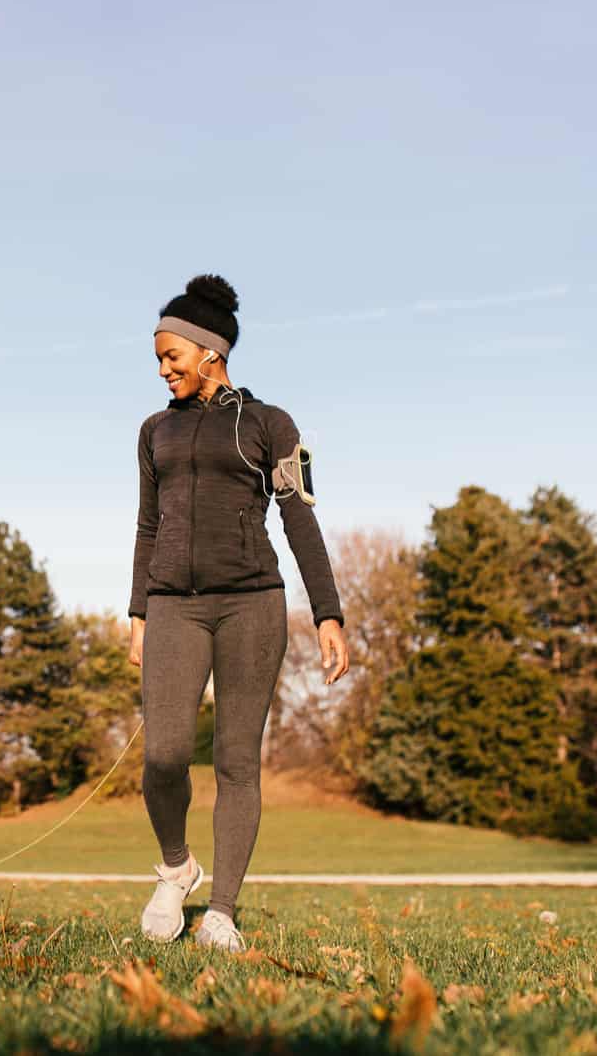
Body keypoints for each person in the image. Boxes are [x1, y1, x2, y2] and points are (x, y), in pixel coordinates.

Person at [127, 273, 350, 951]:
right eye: (160, 359)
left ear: (210, 353)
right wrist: (138, 612)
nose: (163, 370)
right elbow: (146, 524)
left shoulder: (268, 425)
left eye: (172, 357)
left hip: (253, 603)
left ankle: (221, 909)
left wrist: (328, 612)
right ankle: (176, 869)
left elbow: (301, 522)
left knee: (236, 761)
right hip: (173, 606)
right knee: (163, 755)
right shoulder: (154, 432)